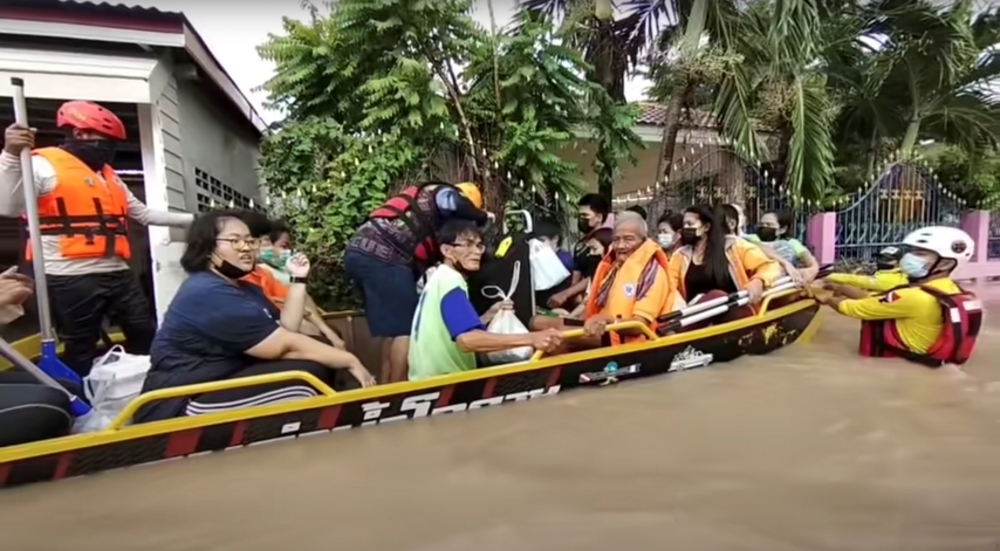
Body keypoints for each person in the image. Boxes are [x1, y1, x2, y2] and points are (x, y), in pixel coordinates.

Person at [2, 104, 194, 376]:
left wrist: (197, 220)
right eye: (106, 142)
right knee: (81, 346)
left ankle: (152, 388)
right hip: (70, 275)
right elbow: (9, 206)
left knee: (145, 333)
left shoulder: (108, 174)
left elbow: (143, 213)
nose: (109, 150)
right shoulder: (42, 165)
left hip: (117, 272)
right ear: (79, 133)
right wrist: (10, 155)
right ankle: (82, 405)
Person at [135, 210, 375, 423]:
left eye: (249, 241)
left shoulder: (243, 287)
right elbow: (282, 345)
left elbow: (287, 328)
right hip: (179, 401)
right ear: (207, 248)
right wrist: (350, 360)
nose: (247, 248)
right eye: (235, 241)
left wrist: (298, 278)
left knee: (314, 360)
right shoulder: (206, 292)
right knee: (302, 382)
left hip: (221, 378)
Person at [344, 181, 493, 384]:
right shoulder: (443, 194)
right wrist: (480, 216)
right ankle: (398, 391)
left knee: (393, 330)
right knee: (404, 329)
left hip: (360, 252)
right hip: (384, 255)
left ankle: (385, 386)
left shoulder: (433, 228)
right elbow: (453, 202)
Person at [408, 220, 563, 381]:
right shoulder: (450, 281)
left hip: (427, 379)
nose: (477, 252)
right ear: (447, 250)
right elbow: (467, 340)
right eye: (468, 245)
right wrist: (532, 338)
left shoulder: (439, 278)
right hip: (443, 381)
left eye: (479, 245)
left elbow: (452, 331)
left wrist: (488, 316)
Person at [815, 226, 981, 367]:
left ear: (945, 263)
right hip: (927, 364)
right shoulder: (950, 290)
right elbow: (872, 298)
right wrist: (839, 288)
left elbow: (853, 308)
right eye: (913, 251)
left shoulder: (914, 297)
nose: (909, 257)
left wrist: (827, 298)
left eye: (921, 253)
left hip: (901, 365)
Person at [531, 212, 671, 348]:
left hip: (624, 337)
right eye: (616, 240)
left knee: (554, 336)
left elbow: (639, 326)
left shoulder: (652, 273)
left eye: (629, 239)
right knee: (535, 322)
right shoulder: (614, 267)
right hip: (600, 327)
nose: (621, 246)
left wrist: (607, 320)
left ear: (644, 240)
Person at [241, 212, 347, 348]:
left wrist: (328, 333)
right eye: (261, 241)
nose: (261, 246)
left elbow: (300, 307)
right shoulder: (236, 281)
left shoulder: (262, 274)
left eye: (264, 241)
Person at [667, 204, 781, 324]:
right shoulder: (680, 256)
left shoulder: (734, 246)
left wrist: (758, 280)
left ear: (706, 227)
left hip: (734, 313)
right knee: (715, 297)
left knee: (718, 296)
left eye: (690, 224)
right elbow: (670, 286)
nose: (685, 228)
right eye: (684, 225)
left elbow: (769, 266)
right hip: (695, 315)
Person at [548, 193, 615, 310]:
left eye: (585, 215)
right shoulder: (580, 245)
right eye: (579, 215)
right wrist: (573, 296)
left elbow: (598, 275)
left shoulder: (607, 240)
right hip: (581, 300)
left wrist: (566, 293)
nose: (581, 219)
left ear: (599, 217)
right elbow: (576, 276)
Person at [745, 210, 820, 283]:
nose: (764, 227)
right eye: (761, 224)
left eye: (769, 224)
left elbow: (811, 262)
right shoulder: (752, 238)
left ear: (782, 229)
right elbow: (757, 246)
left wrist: (810, 271)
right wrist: (785, 263)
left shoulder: (792, 243)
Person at [823, 245, 908, 294]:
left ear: (898, 263)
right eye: (880, 258)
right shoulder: (887, 273)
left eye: (887, 259)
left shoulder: (890, 279)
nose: (881, 261)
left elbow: (859, 281)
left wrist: (829, 276)